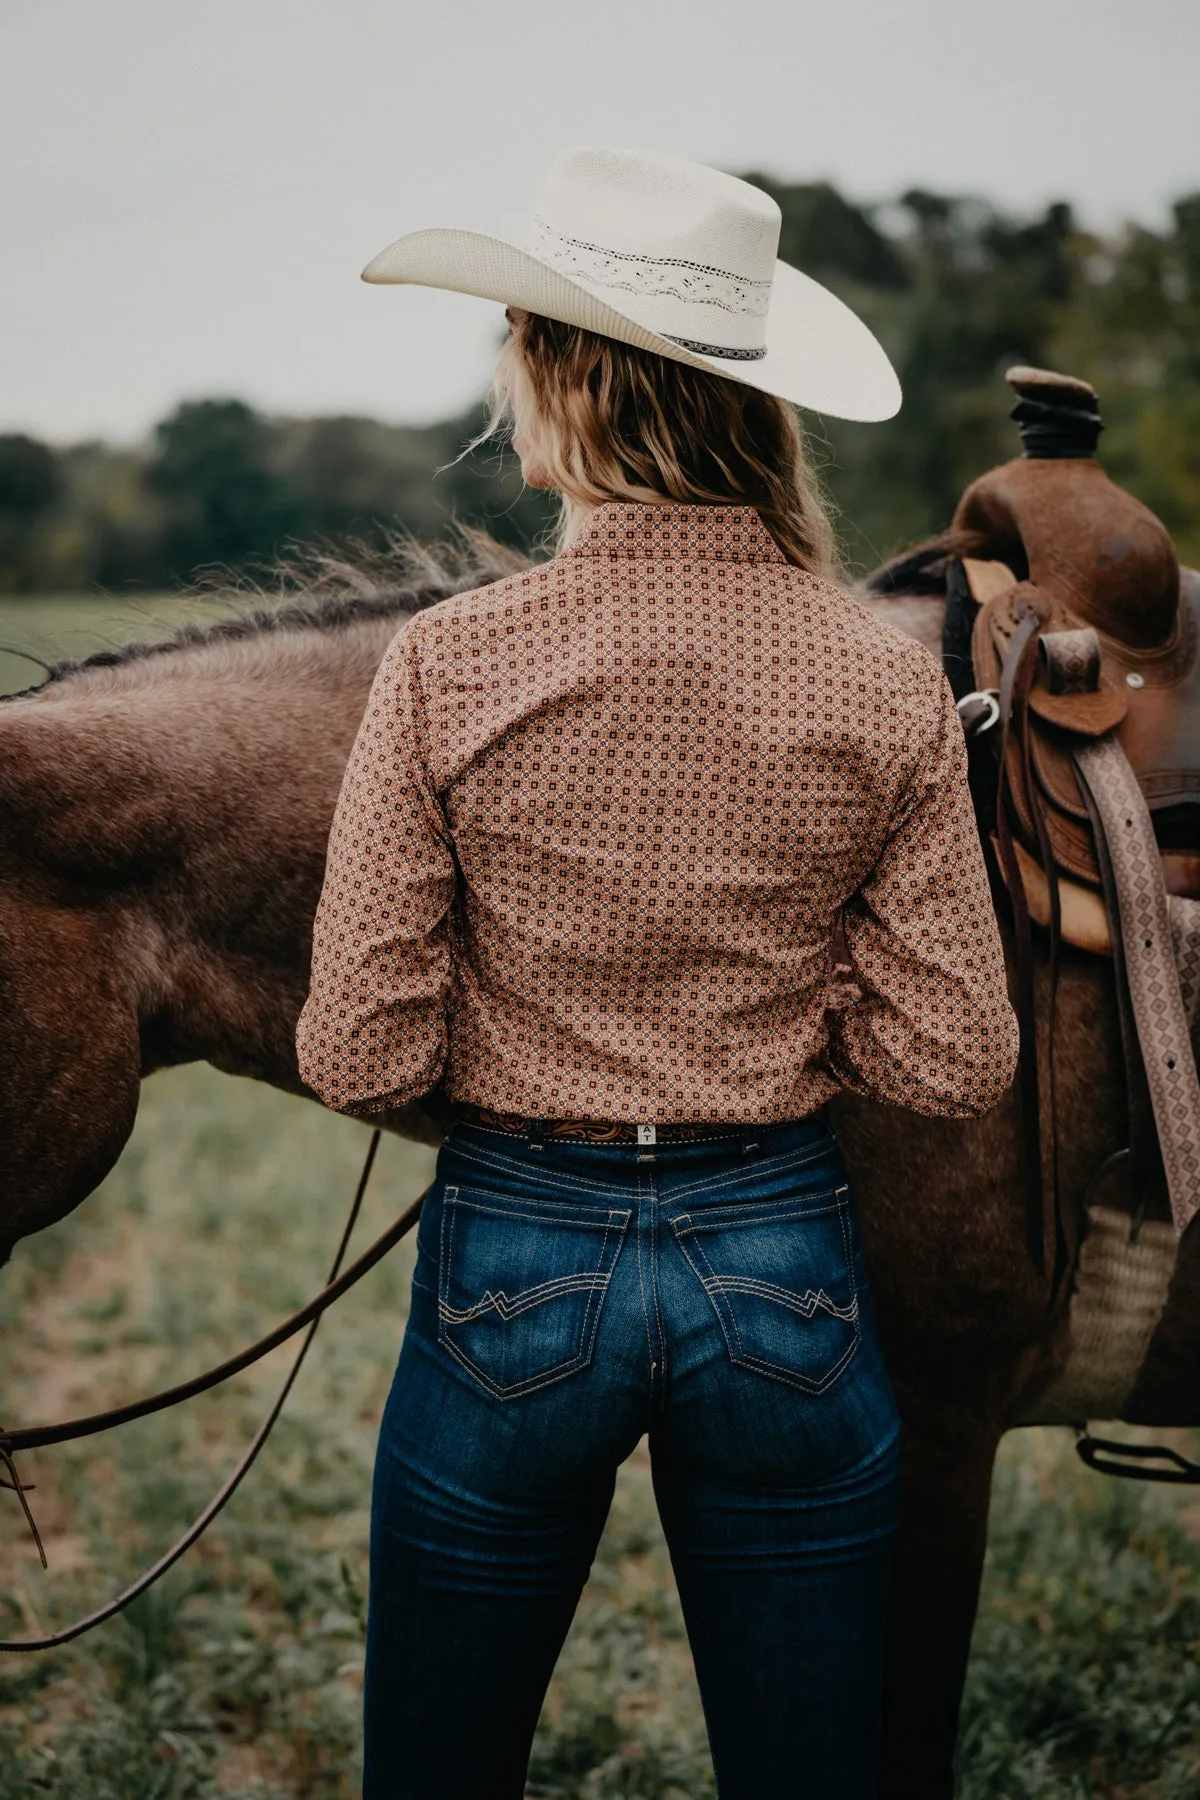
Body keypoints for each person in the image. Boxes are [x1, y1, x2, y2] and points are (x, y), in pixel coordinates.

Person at [296, 146, 1019, 1800]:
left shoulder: (450, 661)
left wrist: (528, 1021)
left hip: (512, 1258)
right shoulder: (883, 677)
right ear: (753, 402)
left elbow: (358, 1050)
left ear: (557, 385)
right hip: (782, 1264)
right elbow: (955, 1058)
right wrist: (772, 1017)